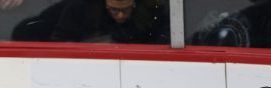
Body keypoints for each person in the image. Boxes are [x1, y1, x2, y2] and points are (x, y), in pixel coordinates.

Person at [12, 0, 169, 44]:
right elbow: (60, 43)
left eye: (126, 9)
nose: (121, 15)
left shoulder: (152, 12)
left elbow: (164, 41)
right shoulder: (80, 9)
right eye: (114, 10)